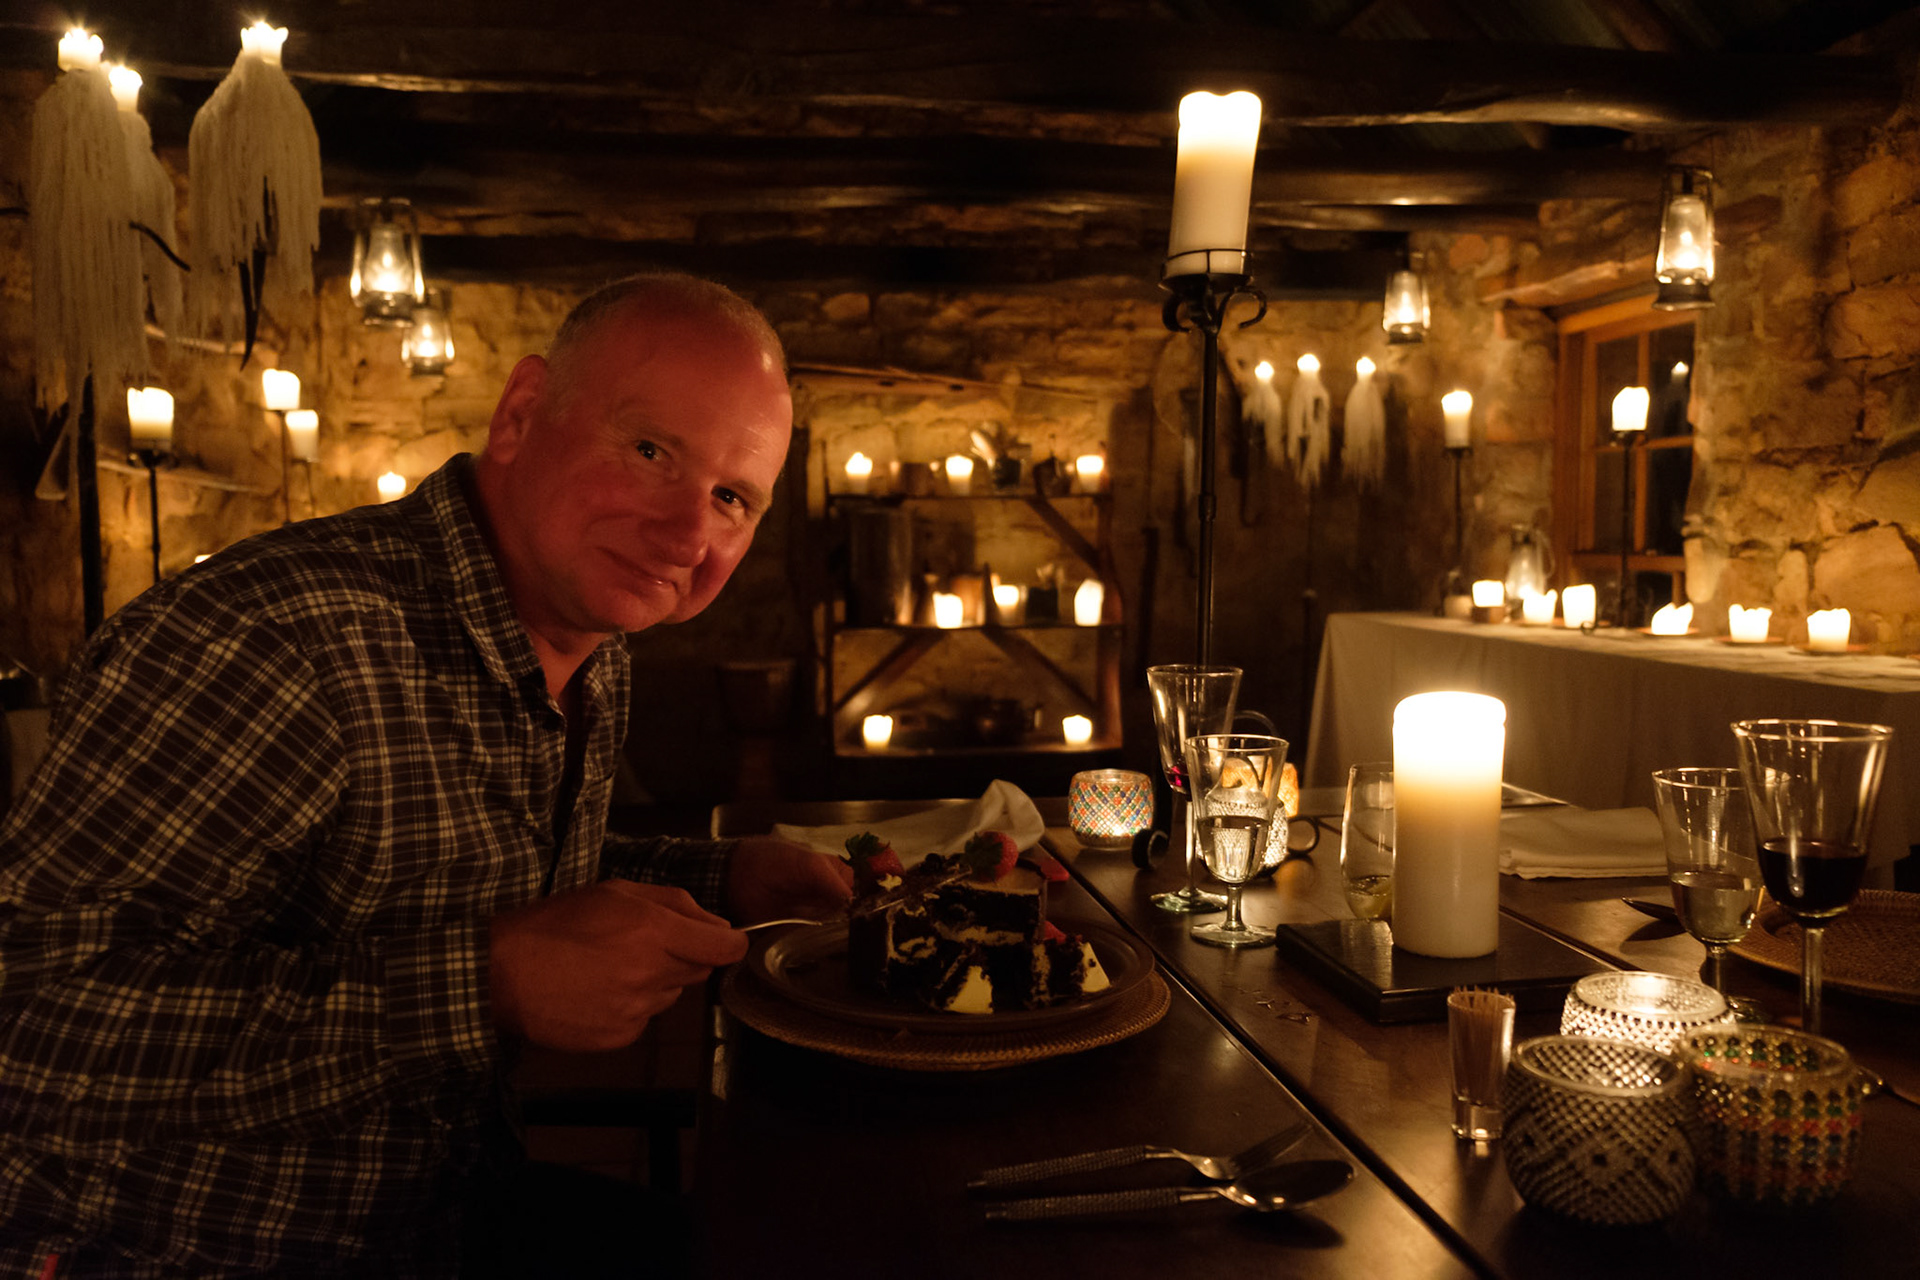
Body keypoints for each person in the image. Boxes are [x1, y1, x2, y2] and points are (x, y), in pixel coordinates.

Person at [0, 273, 851, 1276]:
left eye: (731, 497)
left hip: (443, 1213)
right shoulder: (273, 640)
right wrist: (486, 980)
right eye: (651, 450)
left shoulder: (587, 640)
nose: (687, 535)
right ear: (523, 412)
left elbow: (462, 862)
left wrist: (723, 874)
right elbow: (32, 1028)